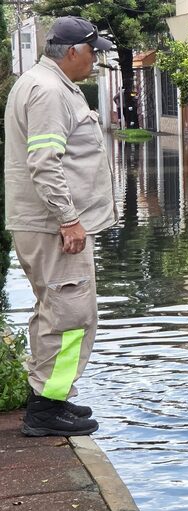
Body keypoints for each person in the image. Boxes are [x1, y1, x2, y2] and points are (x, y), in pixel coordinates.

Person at [3, 16, 115, 436]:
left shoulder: (44, 83)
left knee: (56, 311)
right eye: (92, 53)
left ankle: (51, 397)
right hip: (54, 227)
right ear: (72, 52)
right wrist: (68, 219)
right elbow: (45, 164)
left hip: (45, 224)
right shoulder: (49, 91)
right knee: (70, 315)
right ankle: (46, 410)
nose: (95, 60)